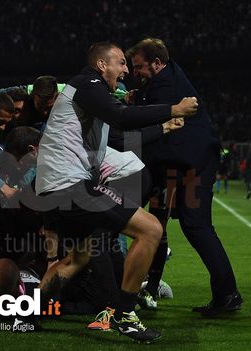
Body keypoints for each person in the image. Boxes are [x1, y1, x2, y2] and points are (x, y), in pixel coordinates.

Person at [35, 42, 198, 343]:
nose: (126, 70)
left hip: (53, 189)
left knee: (77, 258)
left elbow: (122, 140)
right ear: (101, 65)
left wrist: (164, 127)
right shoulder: (87, 83)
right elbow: (120, 117)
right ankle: (125, 315)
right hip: (70, 185)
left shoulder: (92, 100)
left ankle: (28, 314)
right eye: (121, 63)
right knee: (150, 230)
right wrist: (174, 108)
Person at [128, 38, 242, 317]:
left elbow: (153, 117)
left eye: (140, 67)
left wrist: (137, 100)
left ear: (157, 63)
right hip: (190, 162)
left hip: (193, 165)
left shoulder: (165, 83)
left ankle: (226, 293)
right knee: (188, 225)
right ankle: (224, 293)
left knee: (196, 226)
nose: (136, 73)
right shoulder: (168, 76)